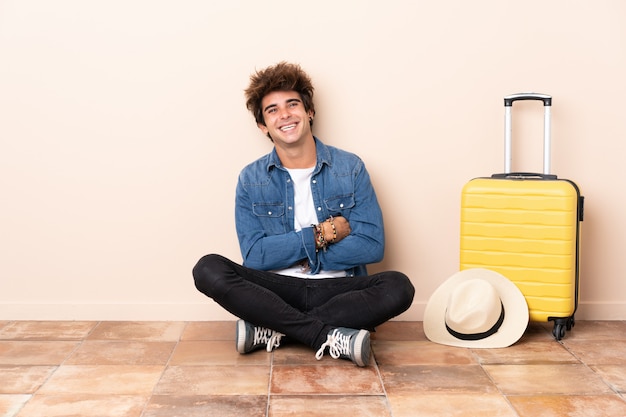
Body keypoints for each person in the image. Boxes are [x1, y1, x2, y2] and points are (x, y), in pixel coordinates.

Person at [193, 62, 415, 367]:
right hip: (276, 292)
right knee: (207, 269)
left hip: (339, 289)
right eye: (272, 110)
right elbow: (256, 256)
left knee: (398, 287)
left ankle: (274, 329)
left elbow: (372, 245)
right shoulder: (250, 178)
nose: (284, 115)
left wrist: (301, 254)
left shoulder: (349, 168)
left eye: (292, 104)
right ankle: (327, 336)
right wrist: (321, 234)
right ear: (263, 126)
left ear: (309, 111)